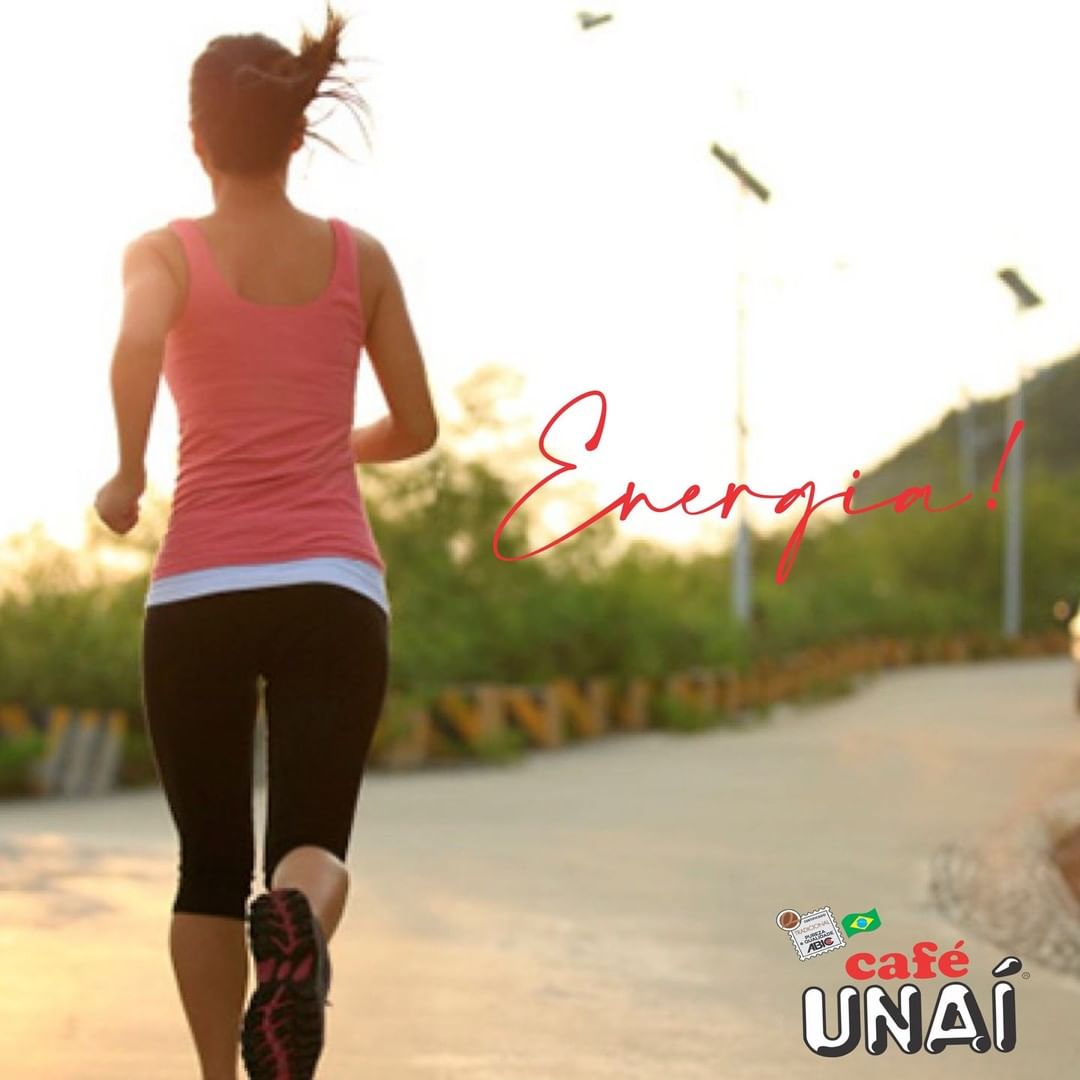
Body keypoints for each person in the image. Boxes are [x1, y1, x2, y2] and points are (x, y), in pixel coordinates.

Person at [93, 6, 437, 1078]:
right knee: (312, 846)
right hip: (333, 586)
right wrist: (332, 446)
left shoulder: (163, 251)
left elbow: (136, 341)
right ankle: (296, 927)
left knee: (207, 862)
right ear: (296, 135)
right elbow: (418, 427)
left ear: (197, 138)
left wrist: (128, 470)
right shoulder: (359, 259)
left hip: (199, 587)